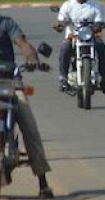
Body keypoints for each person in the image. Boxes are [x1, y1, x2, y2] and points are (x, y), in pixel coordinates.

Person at [0, 16, 54, 199]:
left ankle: (43, 183)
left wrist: (32, 58)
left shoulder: (6, 23)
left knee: (30, 128)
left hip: (11, 81)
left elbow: (22, 43)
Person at [53, 0, 105, 95]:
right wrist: (59, 25)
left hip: (91, 35)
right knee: (65, 48)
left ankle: (103, 78)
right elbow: (61, 20)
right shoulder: (68, 5)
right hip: (73, 35)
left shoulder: (96, 5)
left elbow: (99, 20)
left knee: (102, 48)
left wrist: (99, 25)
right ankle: (63, 78)